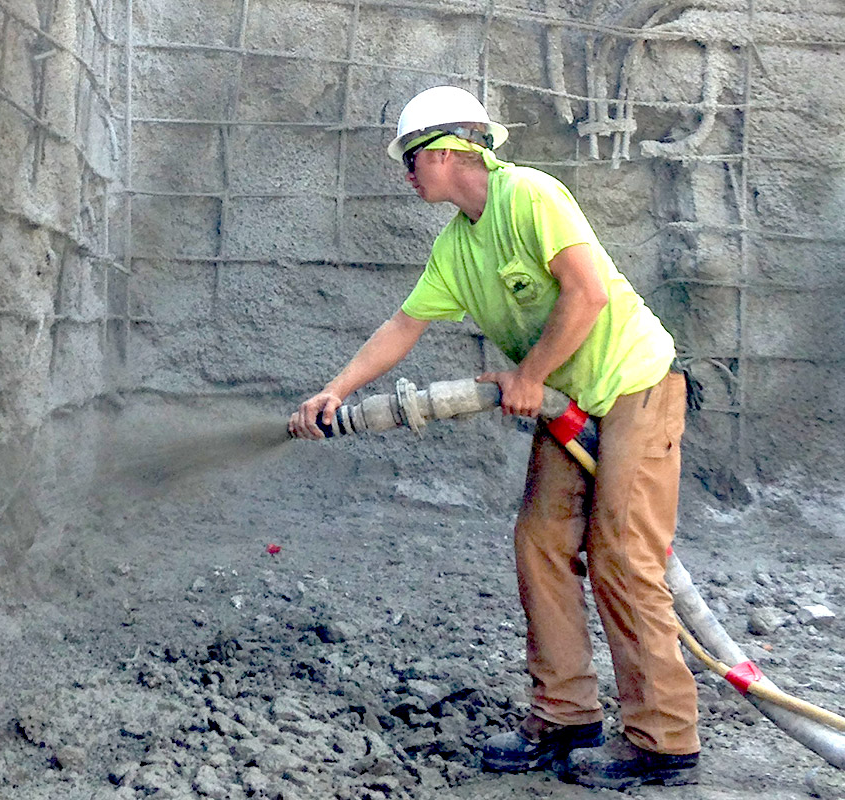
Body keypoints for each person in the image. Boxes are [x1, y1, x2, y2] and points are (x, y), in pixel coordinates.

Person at [288, 85, 700, 789]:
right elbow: (402, 327)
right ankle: (565, 716)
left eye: (410, 159)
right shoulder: (457, 246)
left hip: (634, 385)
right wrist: (337, 390)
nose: (406, 173)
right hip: (565, 399)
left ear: (448, 151)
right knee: (539, 541)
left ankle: (664, 740)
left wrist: (528, 374)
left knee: (623, 556)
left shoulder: (532, 196)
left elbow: (588, 293)